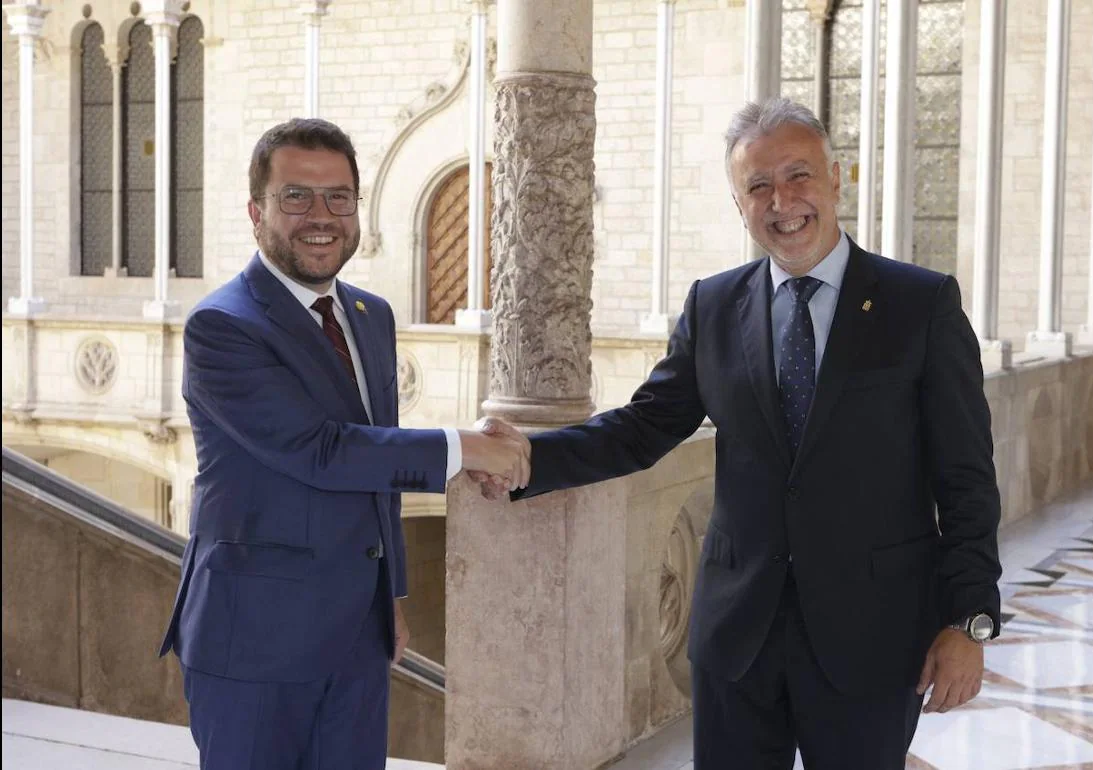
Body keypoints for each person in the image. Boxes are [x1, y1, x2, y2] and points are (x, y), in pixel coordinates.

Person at [475, 98, 1002, 768]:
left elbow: (966, 479)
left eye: (798, 176)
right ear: (738, 203)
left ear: (837, 178)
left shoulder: (919, 305)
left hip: (872, 638)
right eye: (758, 186)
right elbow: (644, 427)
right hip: (736, 640)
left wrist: (969, 621)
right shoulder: (715, 304)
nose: (782, 201)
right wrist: (526, 459)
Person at [159, 117, 529, 770]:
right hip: (254, 643)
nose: (321, 215)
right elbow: (322, 451)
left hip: (357, 634)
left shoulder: (369, 315)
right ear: (255, 211)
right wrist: (466, 448)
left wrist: (390, 599)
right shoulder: (222, 326)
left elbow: (373, 470)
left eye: (339, 196)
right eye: (295, 196)